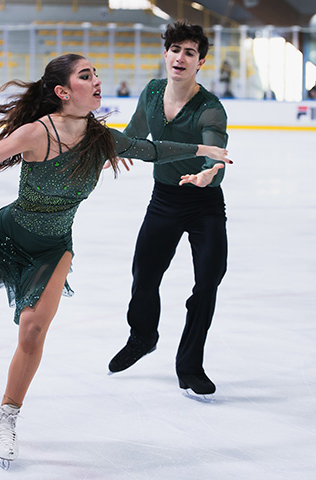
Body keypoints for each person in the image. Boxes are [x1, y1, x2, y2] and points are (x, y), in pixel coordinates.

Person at [0, 53, 230, 467]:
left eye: (96, 74)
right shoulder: (38, 133)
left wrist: (201, 148)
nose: (97, 81)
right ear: (63, 91)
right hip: (5, 237)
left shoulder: (101, 138)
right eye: (86, 76)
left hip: (53, 248)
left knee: (33, 330)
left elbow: (150, 149)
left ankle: (7, 417)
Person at [108, 21, 229, 402]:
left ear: (201, 62)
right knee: (144, 274)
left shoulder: (210, 109)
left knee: (207, 284)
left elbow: (216, 158)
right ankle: (142, 337)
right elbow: (133, 135)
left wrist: (208, 175)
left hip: (204, 206)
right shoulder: (153, 91)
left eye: (189, 52)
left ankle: (189, 365)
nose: (180, 57)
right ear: (166, 53)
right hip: (164, 199)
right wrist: (115, 148)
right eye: (175, 49)